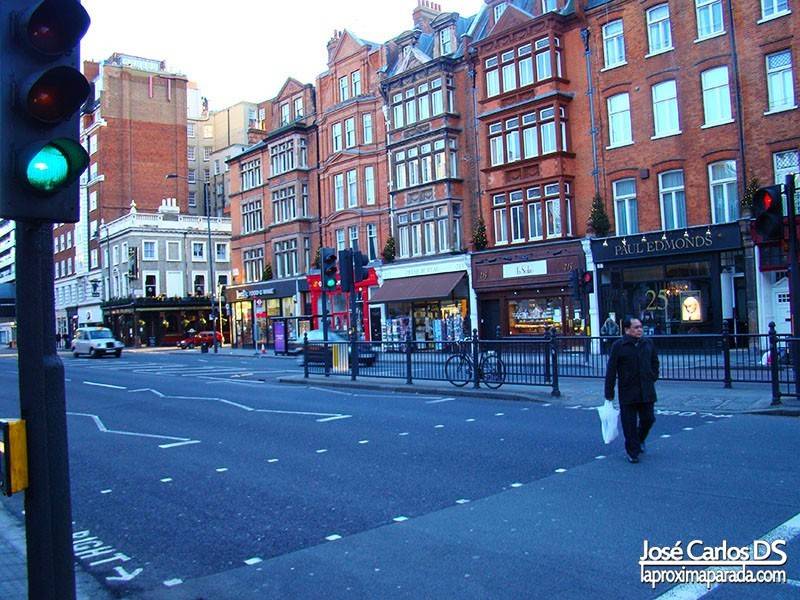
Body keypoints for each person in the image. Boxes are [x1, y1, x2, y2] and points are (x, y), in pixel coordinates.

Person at [604, 316, 659, 463]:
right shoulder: (619, 346)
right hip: (628, 391)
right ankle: (632, 452)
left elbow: (655, 362)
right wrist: (609, 393)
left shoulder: (648, 343)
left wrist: (653, 376)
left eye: (640, 327)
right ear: (627, 329)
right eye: (636, 327)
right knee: (629, 424)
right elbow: (611, 370)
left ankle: (639, 439)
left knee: (648, 419)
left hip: (646, 389)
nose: (640, 330)